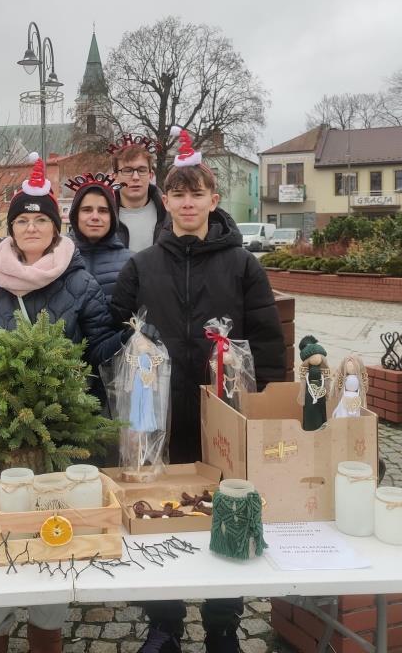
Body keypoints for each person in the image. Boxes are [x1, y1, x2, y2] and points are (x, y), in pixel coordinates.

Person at [111, 128, 286, 653]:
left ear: (214, 199)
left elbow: (268, 339)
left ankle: (222, 622)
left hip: (223, 412)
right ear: (166, 202)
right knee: (160, 510)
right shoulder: (141, 265)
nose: (187, 203)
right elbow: (115, 331)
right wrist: (133, 355)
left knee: (224, 509)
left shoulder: (243, 264)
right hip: (158, 414)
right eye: (178, 194)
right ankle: (163, 622)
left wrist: (263, 408)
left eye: (197, 193)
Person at [0, 155, 121, 653]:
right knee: (1, 543)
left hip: (59, 436)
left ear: (56, 228)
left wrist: (131, 344)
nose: (31, 227)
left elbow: (100, 349)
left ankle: (46, 633)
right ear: (11, 228)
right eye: (22, 220)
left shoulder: (80, 282)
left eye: (41, 219)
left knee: (52, 544)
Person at [66, 171, 131, 300]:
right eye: (87, 210)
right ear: (75, 216)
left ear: (112, 217)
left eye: (103, 211)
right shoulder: (56, 258)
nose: (95, 217)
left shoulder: (131, 264)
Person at [110, 133, 170, 251]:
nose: (135, 177)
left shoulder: (170, 214)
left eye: (142, 170)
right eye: (127, 170)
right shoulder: (104, 215)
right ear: (115, 177)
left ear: (150, 175)